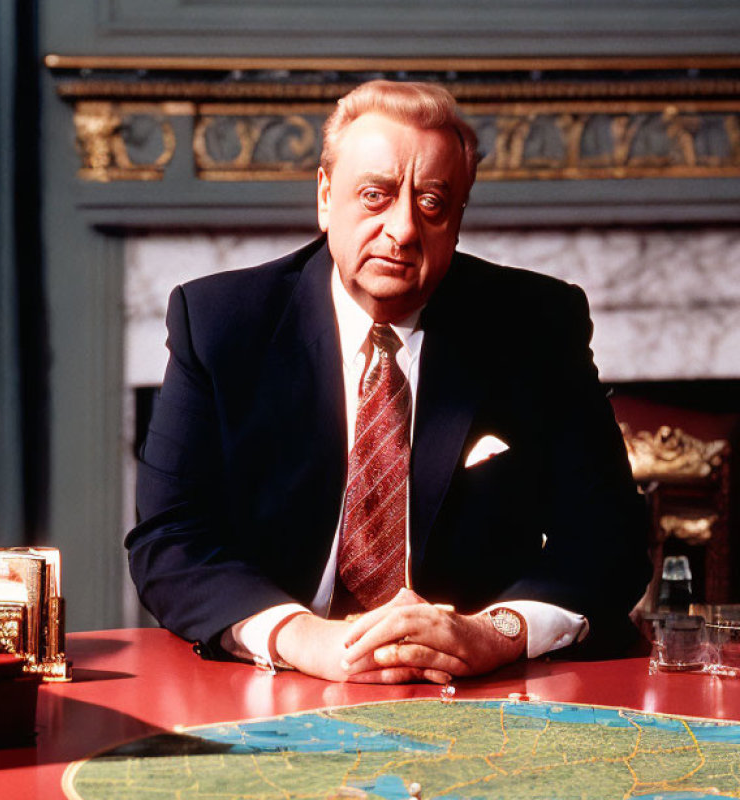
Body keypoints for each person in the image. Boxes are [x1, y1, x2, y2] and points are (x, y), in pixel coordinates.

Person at [126, 80, 650, 684]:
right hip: (282, 683)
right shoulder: (221, 325)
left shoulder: (537, 325)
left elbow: (610, 538)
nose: (402, 229)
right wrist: (301, 637)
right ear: (325, 198)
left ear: (457, 220)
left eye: (431, 203)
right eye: (374, 195)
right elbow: (169, 540)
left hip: (477, 691)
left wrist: (495, 632)